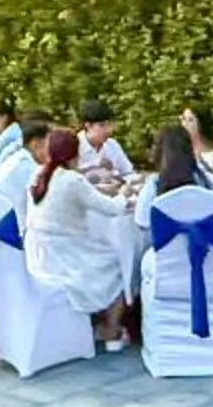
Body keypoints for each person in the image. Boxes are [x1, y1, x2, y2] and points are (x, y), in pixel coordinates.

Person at [29, 127, 137, 347]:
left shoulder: (39, 175)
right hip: (66, 256)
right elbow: (112, 209)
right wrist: (125, 194)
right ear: (75, 154)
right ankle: (112, 330)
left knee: (101, 253)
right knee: (118, 265)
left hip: (41, 254)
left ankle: (97, 322)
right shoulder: (71, 181)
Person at [78, 103, 133, 192]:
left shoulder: (112, 145)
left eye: (110, 125)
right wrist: (95, 164)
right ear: (88, 126)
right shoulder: (74, 145)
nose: (108, 130)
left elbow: (128, 172)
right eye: (102, 125)